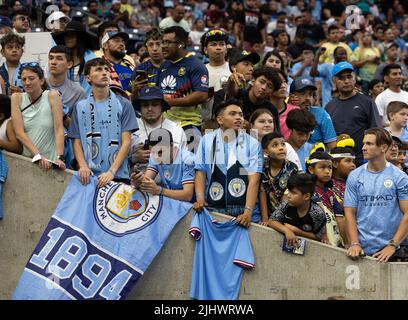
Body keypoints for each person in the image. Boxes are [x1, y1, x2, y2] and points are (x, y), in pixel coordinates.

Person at [68, 58, 138, 187]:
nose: (104, 73)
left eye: (106, 69)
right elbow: (76, 141)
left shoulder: (124, 104)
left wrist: (111, 172)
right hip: (89, 175)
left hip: (118, 174)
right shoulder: (79, 107)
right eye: (99, 69)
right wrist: (83, 166)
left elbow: (127, 142)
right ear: (88, 78)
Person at [193, 98, 262, 227]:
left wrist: (248, 212)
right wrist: (200, 197)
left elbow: (254, 180)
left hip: (243, 209)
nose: (239, 118)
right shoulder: (206, 140)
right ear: (220, 120)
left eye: (241, 115)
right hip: (213, 207)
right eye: (232, 114)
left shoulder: (253, 143)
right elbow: (200, 171)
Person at [345, 128, 408, 262]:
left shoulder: (400, 177)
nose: (363, 148)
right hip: (361, 251)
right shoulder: (355, 176)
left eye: (369, 144)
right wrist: (354, 243)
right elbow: (349, 212)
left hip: (393, 251)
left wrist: (392, 245)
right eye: (363, 143)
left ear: (383, 147)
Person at [11, 63, 65, 170]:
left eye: (31, 78)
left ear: (41, 80)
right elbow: (19, 133)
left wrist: (60, 157)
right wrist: (37, 155)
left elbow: (59, 129)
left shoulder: (52, 96)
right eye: (24, 79)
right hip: (27, 160)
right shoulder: (16, 98)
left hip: (51, 161)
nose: (27, 82)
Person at [325, 62, 382, 165]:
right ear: (334, 81)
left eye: (349, 77)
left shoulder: (367, 102)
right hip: (338, 161)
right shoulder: (329, 106)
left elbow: (376, 131)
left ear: (354, 78)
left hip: (362, 159)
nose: (346, 81)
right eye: (341, 78)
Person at [159, 26, 208, 138]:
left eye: (168, 42)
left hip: (189, 125)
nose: (163, 46)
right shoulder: (164, 65)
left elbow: (201, 95)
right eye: (163, 42)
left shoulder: (196, 65)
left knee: (190, 155)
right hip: (165, 123)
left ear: (180, 44)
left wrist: (171, 102)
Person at [130, 85, 187, 172]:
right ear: (139, 108)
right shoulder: (130, 127)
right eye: (145, 105)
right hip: (135, 180)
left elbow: (186, 162)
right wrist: (132, 158)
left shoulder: (176, 129)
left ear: (162, 106)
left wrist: (167, 155)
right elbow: (114, 159)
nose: (150, 109)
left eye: (155, 104)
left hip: (168, 181)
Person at [131, 128, 195, 202]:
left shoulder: (188, 160)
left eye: (160, 152)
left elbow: (188, 195)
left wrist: (159, 190)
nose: (157, 157)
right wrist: (137, 182)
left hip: (194, 205)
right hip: (173, 202)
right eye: (153, 152)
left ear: (172, 146)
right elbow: (146, 180)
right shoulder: (154, 156)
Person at [263, 173, 327, 245]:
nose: (288, 195)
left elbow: (319, 237)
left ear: (306, 196)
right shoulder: (286, 204)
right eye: (288, 191)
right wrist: (286, 230)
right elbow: (271, 221)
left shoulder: (317, 213)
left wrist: (296, 231)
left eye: (293, 193)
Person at [306, 146, 345, 246]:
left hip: (333, 237)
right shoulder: (305, 189)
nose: (327, 171)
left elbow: (340, 217)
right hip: (313, 239)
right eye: (322, 167)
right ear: (311, 169)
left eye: (330, 167)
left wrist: (347, 242)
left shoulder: (331, 192)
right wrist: (323, 235)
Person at [259, 132, 298, 222]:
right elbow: (262, 192)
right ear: (265, 151)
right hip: (268, 213)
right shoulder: (262, 166)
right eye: (275, 145)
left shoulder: (292, 168)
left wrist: (276, 220)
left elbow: (289, 195)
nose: (281, 148)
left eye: (283, 144)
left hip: (286, 213)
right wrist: (265, 219)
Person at [289, 77, 337, 149]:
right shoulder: (285, 114)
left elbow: (332, 146)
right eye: (302, 94)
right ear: (291, 96)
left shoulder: (321, 114)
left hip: (318, 158)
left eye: (310, 94)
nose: (307, 98)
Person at [52, 21, 98, 95]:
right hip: (62, 102)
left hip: (85, 103)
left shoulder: (90, 59)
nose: (68, 38)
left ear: (80, 37)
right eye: (66, 35)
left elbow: (90, 89)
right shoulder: (61, 57)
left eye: (72, 35)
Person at [200, 28, 230, 123]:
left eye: (222, 44)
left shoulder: (234, 69)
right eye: (213, 44)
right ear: (205, 50)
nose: (218, 47)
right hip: (203, 123)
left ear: (226, 49)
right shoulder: (199, 71)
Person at [47, 45, 86, 116]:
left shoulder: (78, 93)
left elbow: (79, 124)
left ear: (69, 64)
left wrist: (62, 114)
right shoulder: (39, 85)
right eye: (51, 58)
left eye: (59, 59)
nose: (53, 62)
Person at [100, 31, 135, 97]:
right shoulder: (100, 67)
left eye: (123, 42)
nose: (122, 44)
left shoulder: (130, 66)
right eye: (117, 41)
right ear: (105, 46)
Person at [330, 135, 357, 211]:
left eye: (354, 162)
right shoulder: (328, 185)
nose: (353, 165)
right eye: (348, 161)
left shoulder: (357, 183)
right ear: (335, 163)